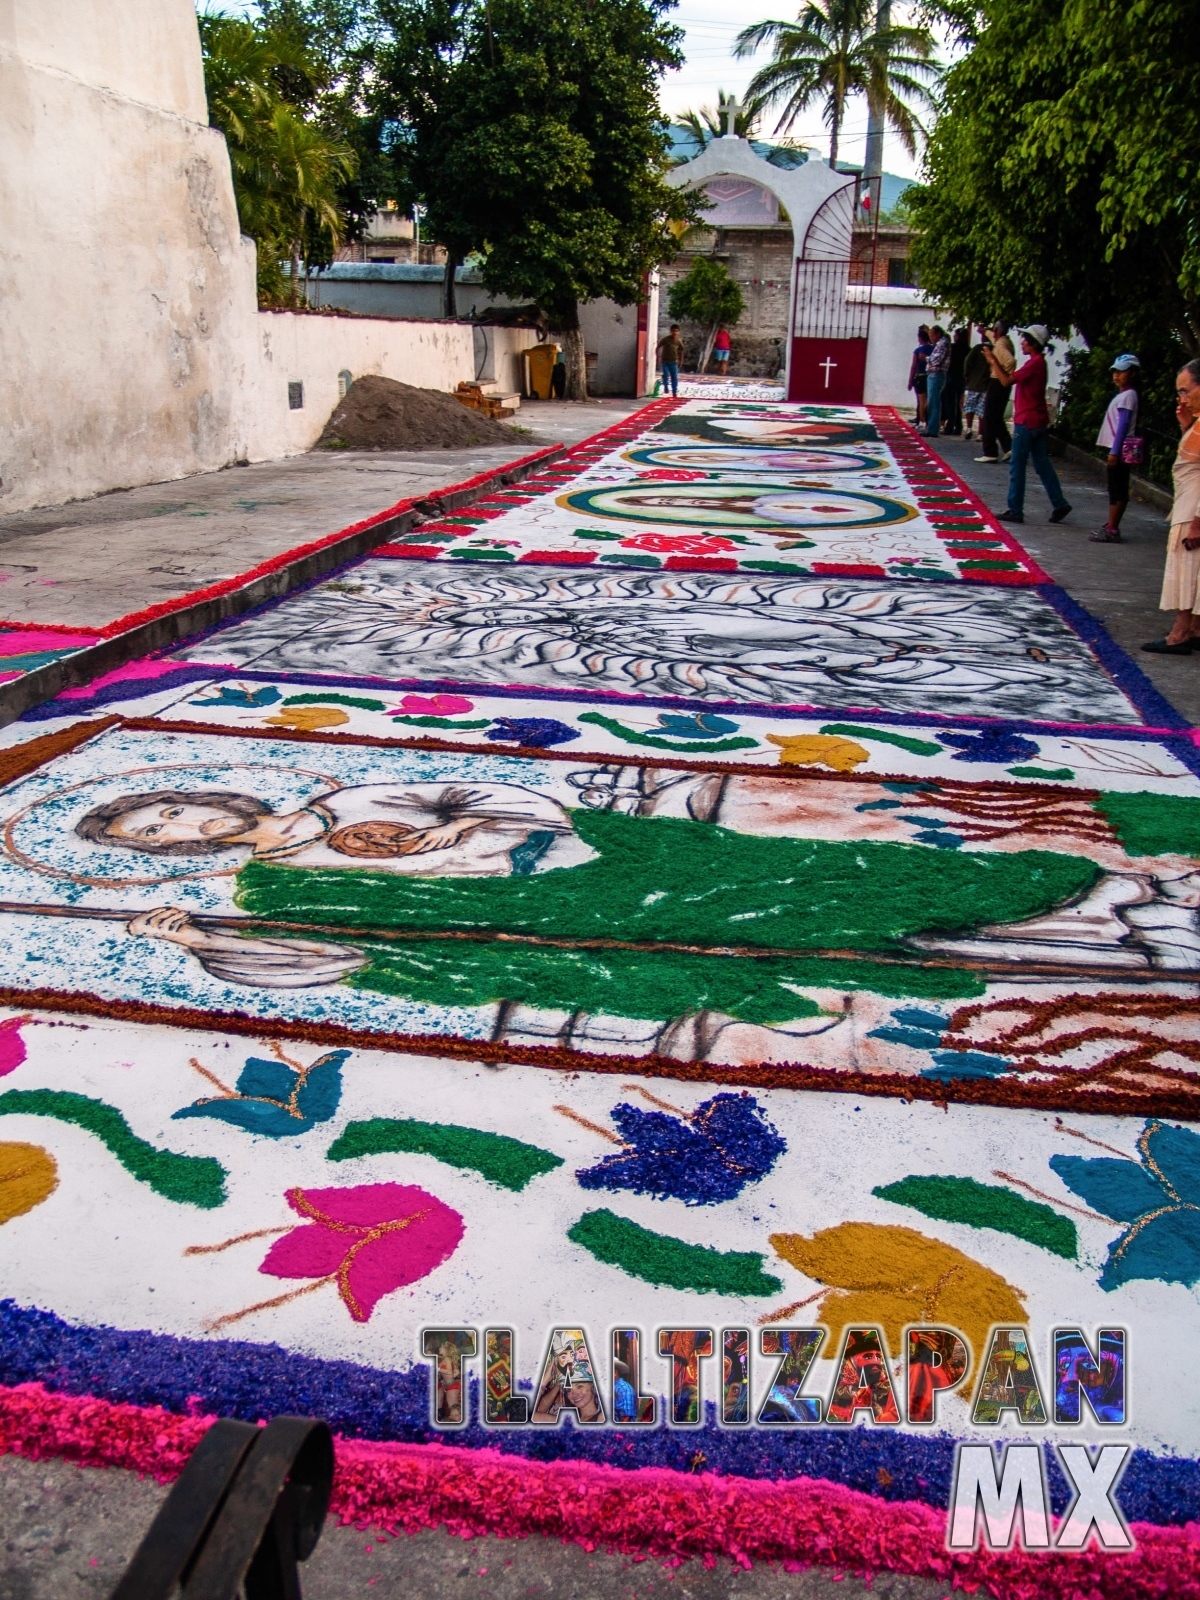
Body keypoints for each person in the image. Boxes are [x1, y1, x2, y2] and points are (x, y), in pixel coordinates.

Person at [1143, 357, 1200, 654]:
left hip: (1193, 508)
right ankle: (1194, 628)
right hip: (1188, 504)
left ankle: (1179, 634)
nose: (1182, 398)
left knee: (1187, 569)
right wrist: (1187, 425)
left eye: (1185, 391)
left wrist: (1198, 520)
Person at [988, 323, 1072, 525]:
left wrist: (992, 360)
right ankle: (1059, 503)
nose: (1022, 343)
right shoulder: (1038, 363)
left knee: (1017, 466)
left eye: (1026, 340)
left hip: (1026, 421)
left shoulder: (1033, 364)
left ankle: (1015, 509)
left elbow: (1007, 381)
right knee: (1042, 464)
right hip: (1038, 421)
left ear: (1034, 343)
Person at [1091, 354, 1141, 543]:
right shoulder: (1125, 395)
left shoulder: (1128, 396)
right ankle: (1112, 524)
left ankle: (1112, 527)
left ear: (1133, 373)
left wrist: (1114, 450)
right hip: (1118, 448)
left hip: (1119, 449)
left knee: (1117, 489)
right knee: (1117, 486)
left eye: (1122, 372)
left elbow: (1123, 425)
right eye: (1115, 371)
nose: (1117, 375)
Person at [978, 320, 1015, 463]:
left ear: (998, 331)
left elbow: (1010, 361)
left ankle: (990, 451)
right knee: (996, 417)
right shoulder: (1003, 341)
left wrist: (998, 367)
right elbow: (992, 337)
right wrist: (984, 331)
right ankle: (1009, 447)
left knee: (989, 416)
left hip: (998, 381)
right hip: (1000, 382)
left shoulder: (1000, 345)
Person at [961, 330, 991, 443]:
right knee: (981, 410)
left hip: (973, 383)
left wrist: (967, 375)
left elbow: (967, 361)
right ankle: (980, 433)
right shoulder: (994, 349)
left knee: (970, 408)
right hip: (986, 384)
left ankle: (969, 428)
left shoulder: (978, 348)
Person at [923, 326, 952, 436]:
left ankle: (933, 429)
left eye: (932, 335)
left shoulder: (942, 343)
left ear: (938, 334)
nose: (931, 338)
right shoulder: (941, 343)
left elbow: (936, 360)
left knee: (933, 402)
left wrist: (926, 358)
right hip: (934, 374)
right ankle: (932, 427)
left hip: (936, 374)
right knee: (933, 401)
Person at [945, 327, 970, 435]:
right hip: (962, 378)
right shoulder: (968, 350)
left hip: (952, 377)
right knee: (958, 403)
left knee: (951, 403)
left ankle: (950, 425)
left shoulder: (952, 348)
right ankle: (958, 426)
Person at [907, 324, 932, 427]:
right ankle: (927, 420)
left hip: (920, 376)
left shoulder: (918, 351)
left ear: (920, 338)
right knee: (928, 400)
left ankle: (921, 421)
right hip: (930, 376)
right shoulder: (934, 348)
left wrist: (910, 380)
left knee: (921, 401)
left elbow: (913, 366)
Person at [657, 324, 685, 397]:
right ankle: (665, 386)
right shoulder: (665, 339)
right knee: (666, 374)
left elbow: (681, 351)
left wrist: (681, 361)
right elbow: (658, 347)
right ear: (670, 331)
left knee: (674, 377)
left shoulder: (679, 341)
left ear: (678, 332)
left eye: (676, 331)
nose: (674, 333)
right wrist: (658, 357)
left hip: (674, 362)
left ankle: (674, 391)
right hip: (665, 361)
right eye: (673, 331)